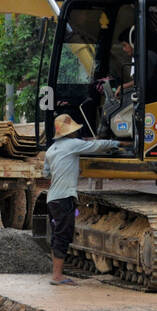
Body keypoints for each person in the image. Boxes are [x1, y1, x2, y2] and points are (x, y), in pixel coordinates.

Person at [41, 114, 121, 286]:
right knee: (63, 236)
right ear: (70, 132)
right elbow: (96, 146)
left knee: (57, 235)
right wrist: (116, 144)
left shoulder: (51, 150)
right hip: (64, 198)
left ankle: (56, 274)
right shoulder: (72, 145)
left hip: (52, 198)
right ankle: (57, 277)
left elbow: (46, 174)